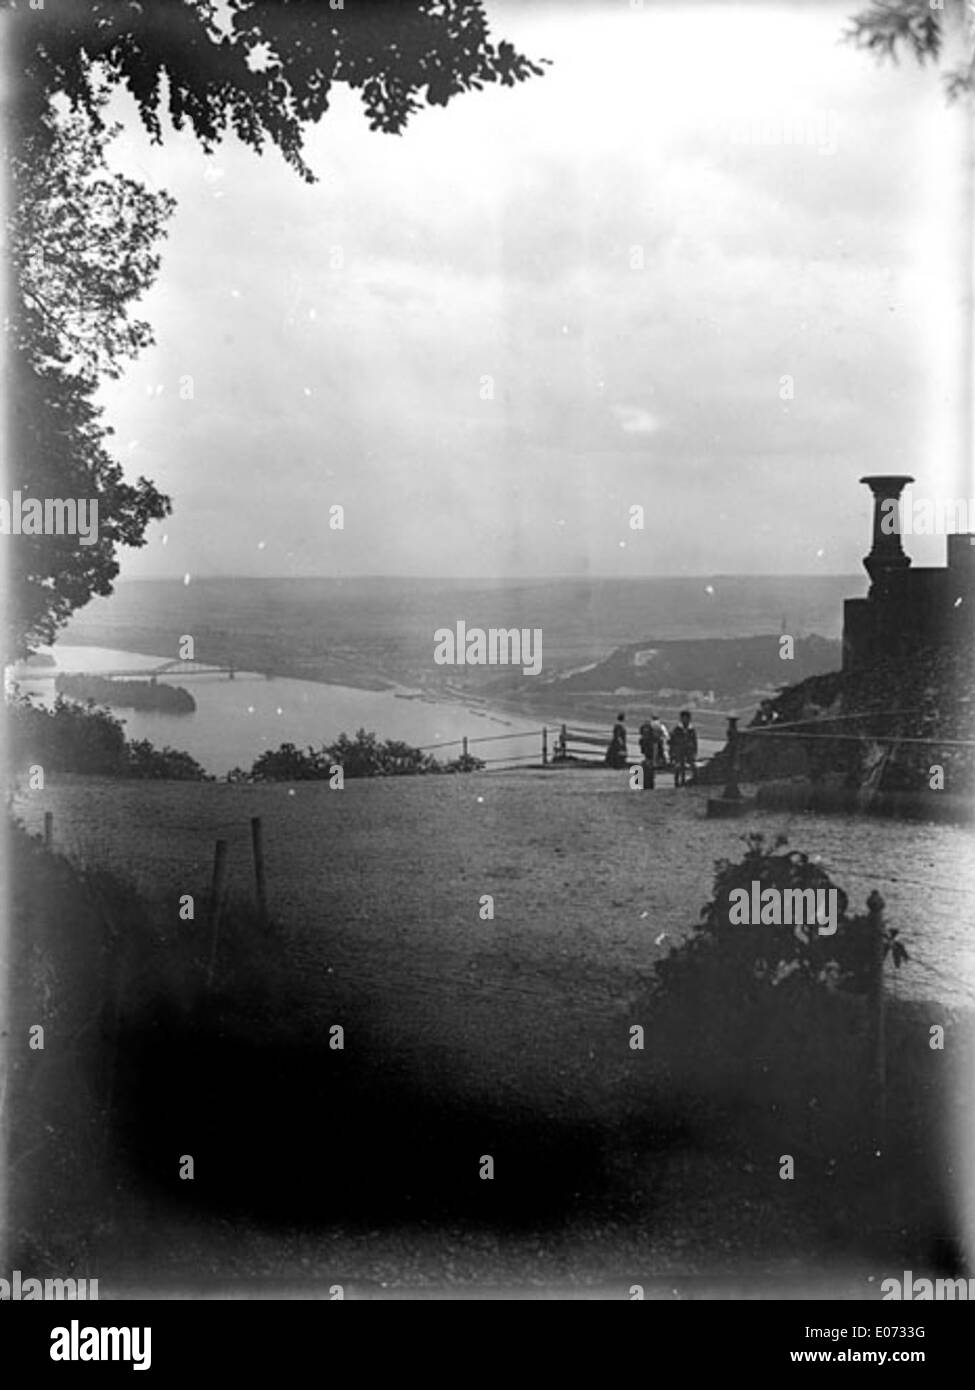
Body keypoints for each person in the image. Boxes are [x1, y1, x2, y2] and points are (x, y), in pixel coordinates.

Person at [670, 709, 698, 787]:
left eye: (687, 718)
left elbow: (694, 741)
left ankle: (694, 780)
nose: (685, 720)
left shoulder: (691, 730)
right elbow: (672, 741)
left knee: (692, 765)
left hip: (689, 750)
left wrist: (695, 751)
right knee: (679, 766)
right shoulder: (677, 729)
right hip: (679, 750)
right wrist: (672, 753)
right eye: (684, 718)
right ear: (681, 719)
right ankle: (678, 782)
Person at [638, 719, 656, 788]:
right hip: (647, 759)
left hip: (650, 759)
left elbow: (653, 751)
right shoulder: (643, 740)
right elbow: (643, 751)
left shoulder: (649, 741)